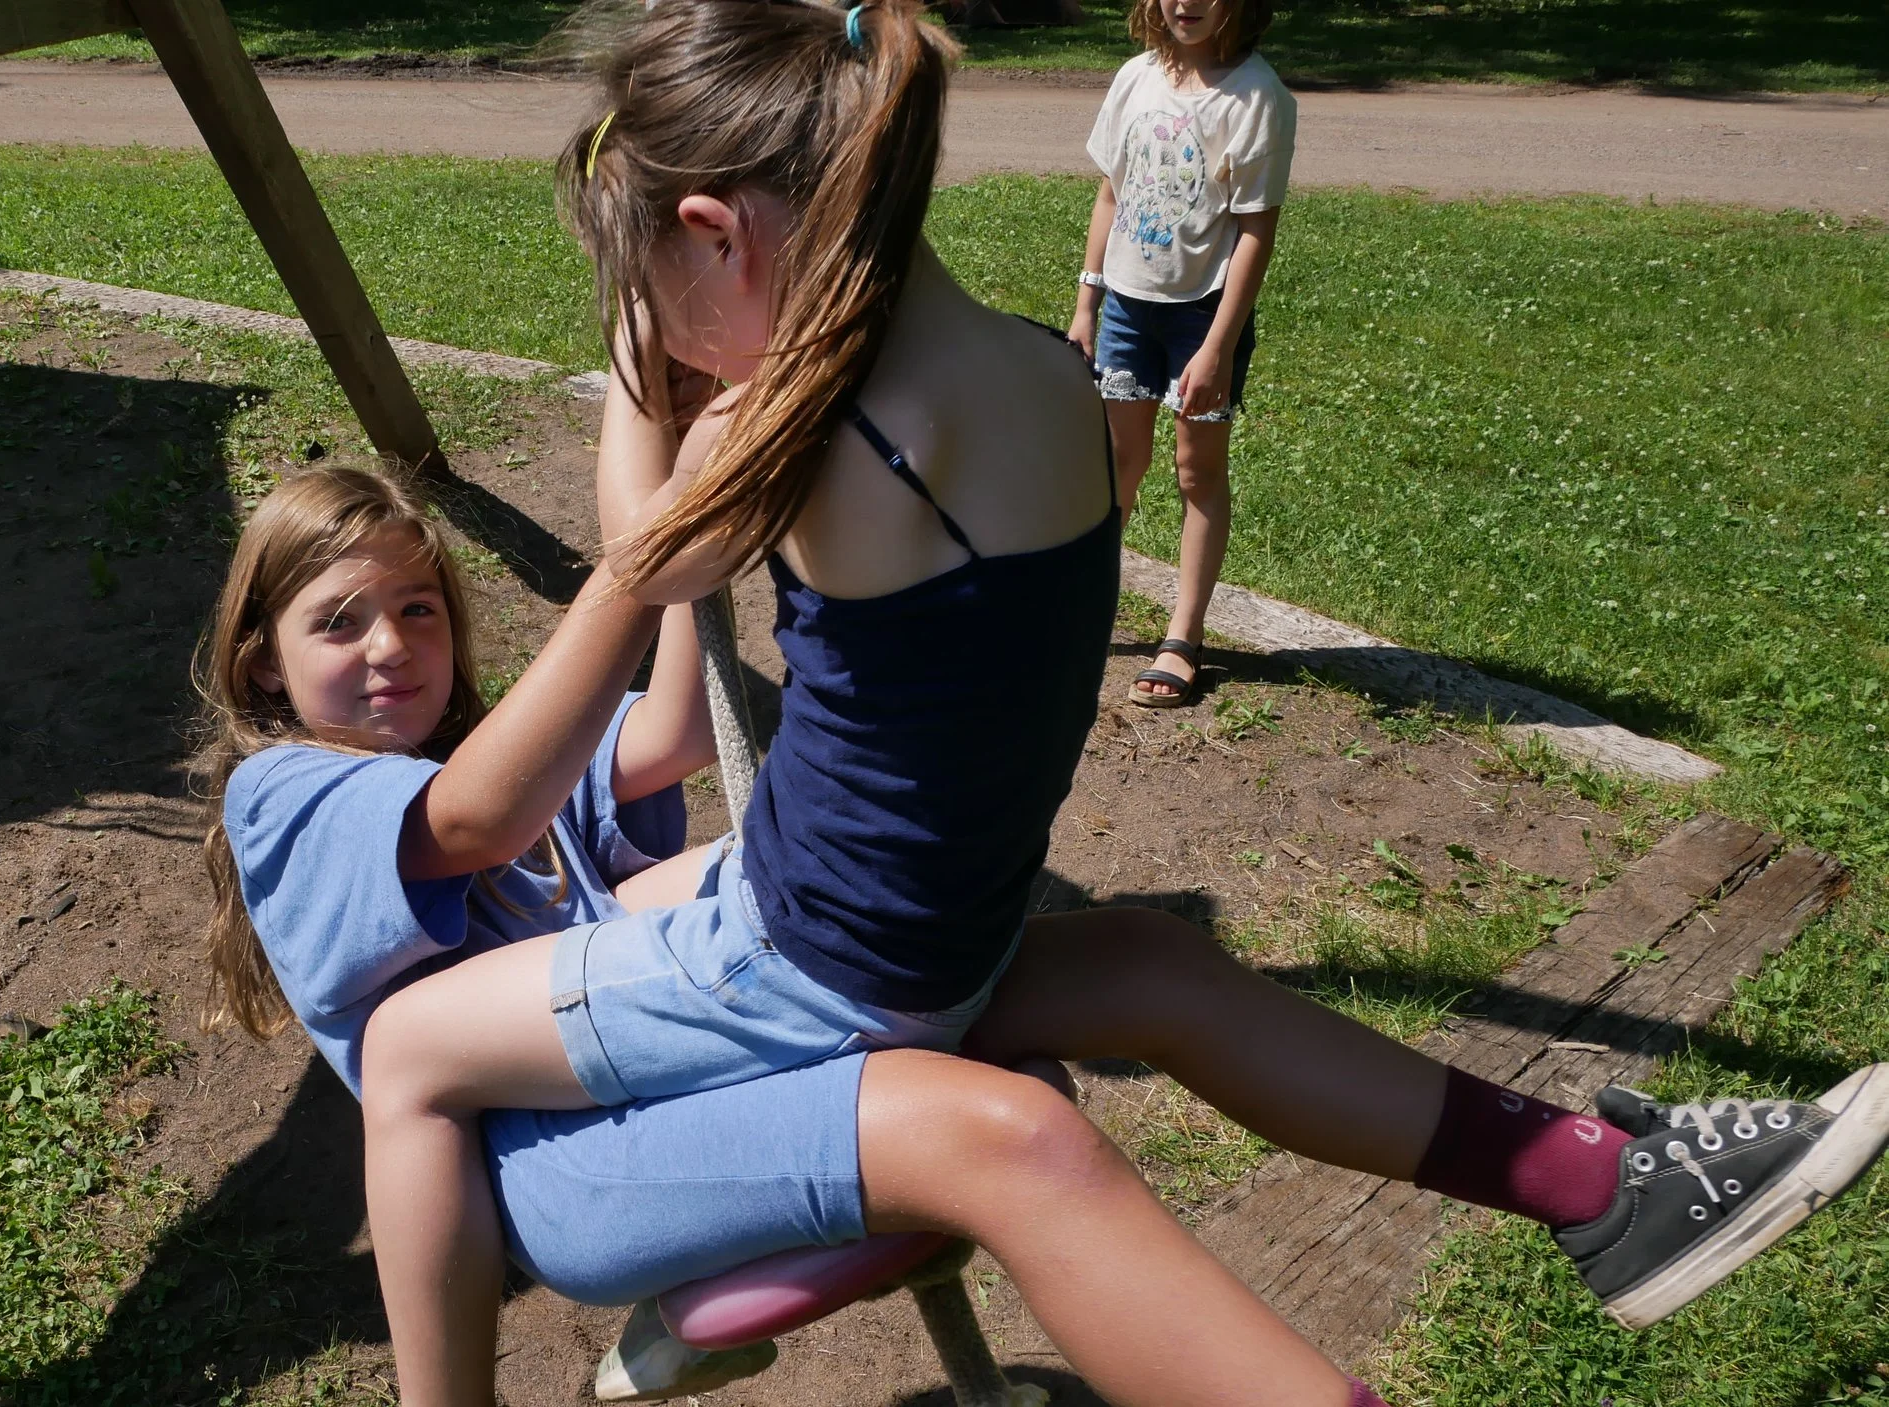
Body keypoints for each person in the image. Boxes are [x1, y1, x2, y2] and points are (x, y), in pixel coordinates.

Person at [197, 468, 1889, 1407]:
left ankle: (1599, 1187)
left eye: (421, 606)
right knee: (1010, 1131)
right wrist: (640, 560)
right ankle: (718, 1276)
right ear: (265, 662)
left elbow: (647, 746)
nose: (394, 643)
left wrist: (683, 500)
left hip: (662, 1079)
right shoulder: (295, 798)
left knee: (1145, 961)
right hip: (570, 1169)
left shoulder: (488, 763)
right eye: (339, 619)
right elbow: (486, 820)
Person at [1065, 0, 1294, 706]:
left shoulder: (1260, 97)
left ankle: (1183, 636)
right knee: (1115, 468)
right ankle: (1079, 613)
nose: (1184, 3)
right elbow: (1111, 193)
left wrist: (1218, 348)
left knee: (1197, 472)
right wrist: (1087, 302)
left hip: (1203, 318)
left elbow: (1256, 232)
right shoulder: (1136, 77)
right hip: (1127, 309)